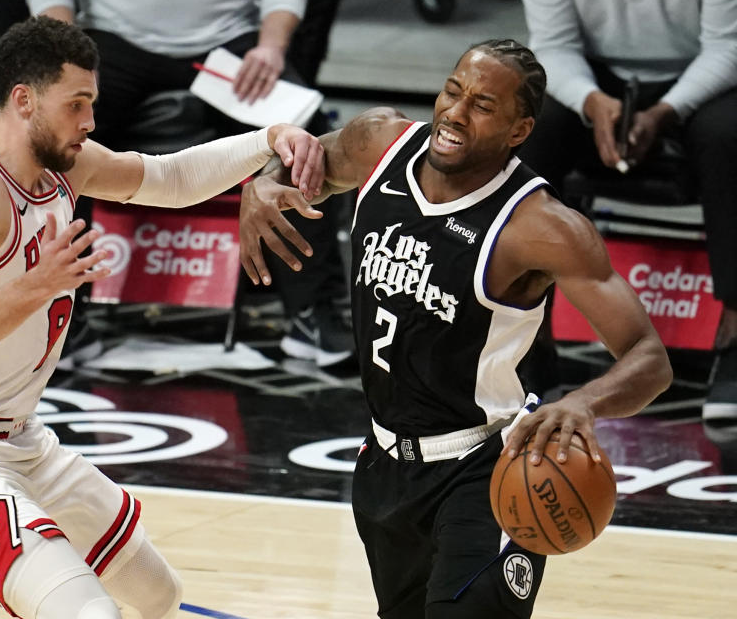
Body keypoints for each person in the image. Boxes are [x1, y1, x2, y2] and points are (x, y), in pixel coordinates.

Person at [0, 16, 323, 619]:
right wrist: (42, 283)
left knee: (158, 595)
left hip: (20, 440)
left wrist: (267, 137)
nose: (89, 121)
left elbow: (168, 179)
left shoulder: (68, 165)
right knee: (89, 613)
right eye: (77, 104)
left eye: (93, 102)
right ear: (23, 100)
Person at [238, 39, 672, 617]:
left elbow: (650, 358)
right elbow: (301, 158)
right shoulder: (379, 144)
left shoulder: (540, 227)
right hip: (383, 464)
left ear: (518, 131)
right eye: (452, 91)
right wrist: (262, 183)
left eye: (483, 105)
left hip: (485, 470)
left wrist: (585, 405)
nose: (455, 114)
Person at [27, 0, 355, 367]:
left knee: (305, 137)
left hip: (230, 44)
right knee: (49, 134)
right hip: (111, 42)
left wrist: (271, 46)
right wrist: (66, 57)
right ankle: (58, 312)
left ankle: (312, 311)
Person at [515, 0, 737, 419]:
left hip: (702, 74)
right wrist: (593, 103)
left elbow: (728, 47)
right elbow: (552, 45)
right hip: (591, 75)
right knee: (530, 121)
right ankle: (528, 339)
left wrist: (664, 112)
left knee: (727, 134)